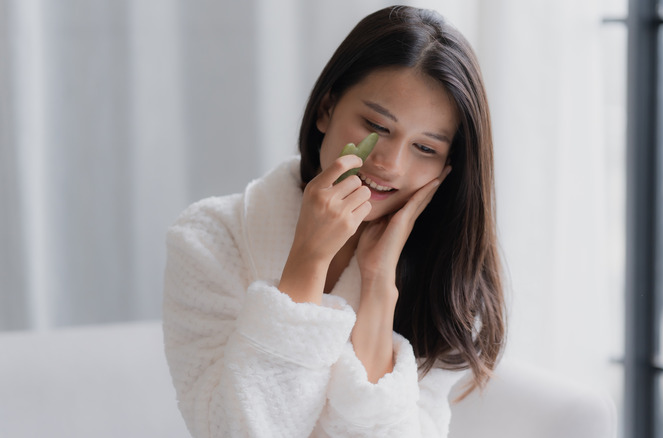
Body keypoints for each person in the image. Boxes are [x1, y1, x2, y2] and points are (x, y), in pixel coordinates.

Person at [163, 5, 506, 437]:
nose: (390, 165)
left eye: (425, 148)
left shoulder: (449, 281)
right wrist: (308, 260)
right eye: (377, 126)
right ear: (326, 108)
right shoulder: (210, 239)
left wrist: (379, 287)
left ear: (449, 166)